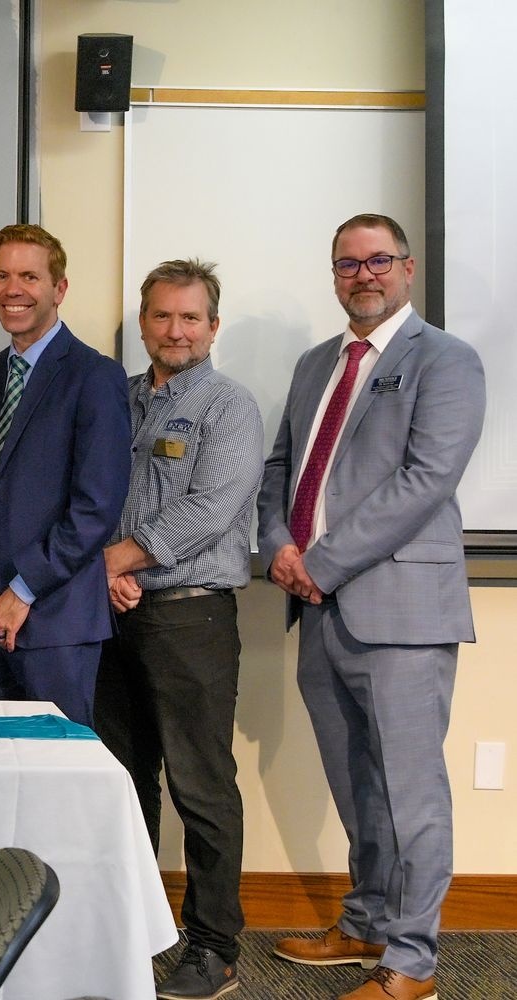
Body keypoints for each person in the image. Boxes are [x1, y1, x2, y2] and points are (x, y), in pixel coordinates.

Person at [258, 215, 484, 1000]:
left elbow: (426, 480)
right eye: (348, 264)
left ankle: (412, 962)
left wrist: (318, 563)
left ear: (408, 269)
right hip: (319, 611)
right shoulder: (316, 363)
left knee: (411, 793)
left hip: (401, 612)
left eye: (378, 260)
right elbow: (281, 467)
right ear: (334, 276)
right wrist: (277, 547)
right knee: (358, 786)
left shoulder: (446, 360)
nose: (364, 275)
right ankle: (366, 924)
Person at [92, 259, 262, 1000]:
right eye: (162, 316)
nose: (176, 330)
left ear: (213, 327)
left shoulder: (229, 406)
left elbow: (210, 509)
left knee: (201, 786)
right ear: (143, 322)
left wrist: (112, 561)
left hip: (190, 614)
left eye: (190, 317)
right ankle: (135, 931)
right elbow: (93, 492)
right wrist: (103, 574)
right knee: (125, 780)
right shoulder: (116, 398)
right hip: (112, 613)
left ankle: (214, 948)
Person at [0, 224, 130, 726]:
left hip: (55, 625)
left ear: (59, 288)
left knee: (58, 767)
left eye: (29, 276)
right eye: (1, 275)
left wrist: (23, 590)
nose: (13, 289)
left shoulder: (95, 376)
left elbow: (95, 509)